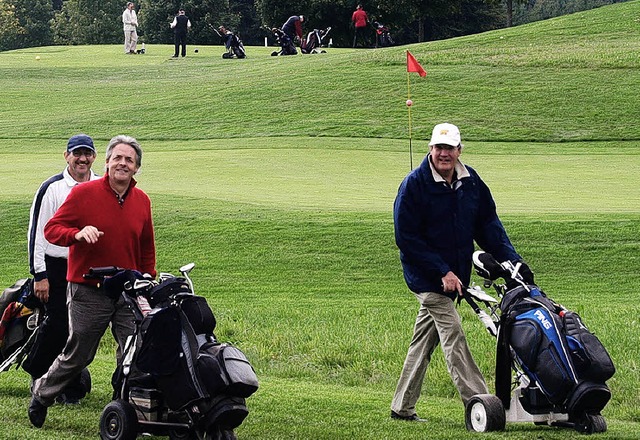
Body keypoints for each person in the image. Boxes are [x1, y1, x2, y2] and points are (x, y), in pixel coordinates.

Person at [390, 123, 533, 421]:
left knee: (423, 341)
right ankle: (483, 405)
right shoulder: (414, 184)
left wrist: (513, 263)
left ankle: (401, 407)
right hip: (428, 278)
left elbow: (489, 227)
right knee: (453, 334)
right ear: (430, 149)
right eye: (438, 148)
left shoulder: (471, 182)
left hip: (456, 276)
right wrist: (442, 271)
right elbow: (407, 238)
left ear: (459, 150)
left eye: (449, 148)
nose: (444, 154)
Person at [28, 135, 157, 428]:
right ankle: (42, 395)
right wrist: (76, 233)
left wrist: (147, 279)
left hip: (128, 289)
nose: (123, 163)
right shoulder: (84, 194)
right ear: (108, 162)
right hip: (89, 288)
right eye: (118, 158)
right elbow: (52, 230)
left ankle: (124, 408)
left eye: (130, 160)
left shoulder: (142, 200)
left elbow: (146, 246)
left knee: (134, 351)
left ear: (136, 168)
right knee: (79, 354)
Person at [23, 134, 100, 405]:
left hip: (90, 267)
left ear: (94, 156)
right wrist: (39, 275)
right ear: (66, 155)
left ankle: (70, 385)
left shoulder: (101, 186)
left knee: (81, 329)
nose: (82, 158)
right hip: (57, 266)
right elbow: (38, 234)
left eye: (87, 153)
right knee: (57, 324)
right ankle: (39, 373)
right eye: (76, 153)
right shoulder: (52, 187)